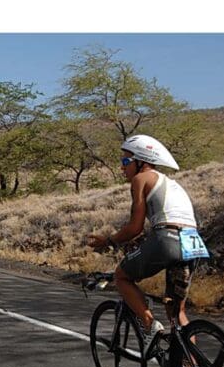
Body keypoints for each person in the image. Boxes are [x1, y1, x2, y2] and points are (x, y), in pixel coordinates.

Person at [86, 134, 209, 349]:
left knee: (121, 276)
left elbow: (135, 228)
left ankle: (150, 325)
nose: (122, 168)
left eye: (126, 161)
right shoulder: (172, 184)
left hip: (167, 239)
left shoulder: (141, 179)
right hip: (192, 243)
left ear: (141, 161)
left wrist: (108, 241)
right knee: (176, 311)